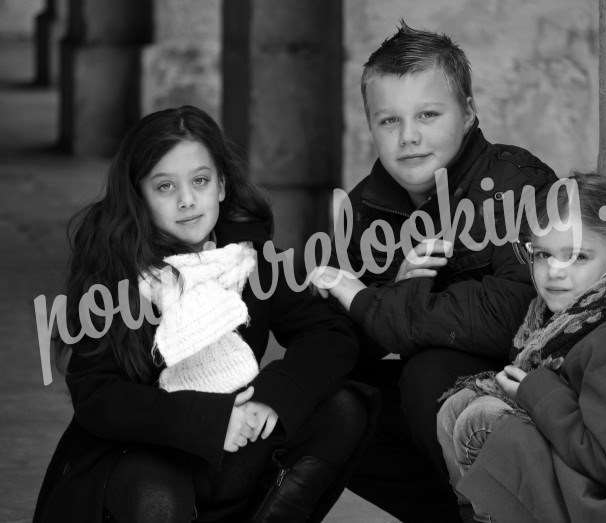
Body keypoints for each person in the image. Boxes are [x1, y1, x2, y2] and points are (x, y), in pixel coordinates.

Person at [33, 105, 370, 523]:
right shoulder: (115, 272)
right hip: (139, 456)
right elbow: (97, 396)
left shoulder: (247, 254)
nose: (187, 200)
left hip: (230, 449)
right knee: (156, 492)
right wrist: (212, 423)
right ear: (139, 197)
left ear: (222, 186)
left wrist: (271, 398)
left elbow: (330, 334)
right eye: (165, 187)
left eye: (200, 181)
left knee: (343, 407)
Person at [312, 21, 557, 522]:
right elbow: (340, 332)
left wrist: (386, 301)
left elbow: (507, 314)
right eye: (389, 121)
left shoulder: (516, 183)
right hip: (430, 401)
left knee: (429, 374)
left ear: (468, 112)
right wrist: (378, 299)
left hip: (518, 387)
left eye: (428, 114)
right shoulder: (365, 208)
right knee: (326, 398)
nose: (409, 138)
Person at [436, 173, 606, 522]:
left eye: (577, 257)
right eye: (543, 254)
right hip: (583, 476)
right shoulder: (576, 320)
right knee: (457, 408)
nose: (554, 272)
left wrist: (539, 391)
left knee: (481, 419)